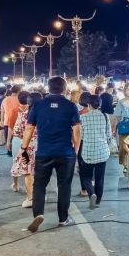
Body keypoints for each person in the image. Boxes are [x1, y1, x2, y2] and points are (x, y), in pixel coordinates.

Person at [21, 76, 81, 232]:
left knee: (39, 185)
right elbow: (77, 130)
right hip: (65, 153)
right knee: (64, 186)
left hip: (44, 152)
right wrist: (75, 150)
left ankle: (38, 214)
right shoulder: (70, 106)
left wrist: (24, 147)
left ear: (48, 88)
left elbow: (29, 128)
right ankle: (63, 219)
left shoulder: (38, 105)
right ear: (64, 88)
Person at [79, 93, 112, 209]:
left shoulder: (82, 117)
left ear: (88, 104)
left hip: (88, 152)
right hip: (102, 152)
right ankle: (97, 201)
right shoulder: (105, 116)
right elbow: (109, 135)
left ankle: (91, 193)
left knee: (86, 176)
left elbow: (81, 137)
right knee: (100, 178)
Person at [11, 91, 40, 208]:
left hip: (27, 146)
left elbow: (16, 132)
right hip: (44, 146)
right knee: (40, 172)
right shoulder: (46, 114)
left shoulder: (25, 115)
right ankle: (40, 195)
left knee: (28, 172)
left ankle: (31, 198)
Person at [114, 83, 129, 166]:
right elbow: (117, 116)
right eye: (128, 89)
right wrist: (116, 127)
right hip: (124, 126)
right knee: (123, 146)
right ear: (125, 91)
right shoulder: (121, 102)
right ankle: (125, 164)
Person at [10, 91, 30, 193]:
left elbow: (11, 128)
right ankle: (32, 189)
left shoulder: (14, 110)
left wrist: (8, 141)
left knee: (16, 162)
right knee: (30, 165)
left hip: (19, 140)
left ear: (18, 99)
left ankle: (16, 184)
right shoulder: (34, 111)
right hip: (32, 141)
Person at [0, 85, 22, 157]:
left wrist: (2, 120)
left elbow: (2, 111)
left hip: (7, 122)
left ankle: (10, 153)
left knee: (8, 140)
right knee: (17, 141)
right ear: (19, 91)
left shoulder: (5, 99)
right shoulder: (20, 99)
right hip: (18, 123)